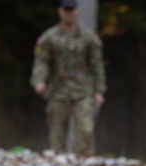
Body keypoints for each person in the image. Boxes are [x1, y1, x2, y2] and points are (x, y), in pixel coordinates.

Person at [30, 0, 106, 155]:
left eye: (71, 9)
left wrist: (99, 90)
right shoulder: (49, 37)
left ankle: (83, 165)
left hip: (83, 91)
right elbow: (41, 62)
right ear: (60, 11)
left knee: (85, 130)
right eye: (66, 10)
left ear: (76, 11)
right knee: (57, 134)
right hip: (58, 90)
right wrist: (39, 81)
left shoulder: (88, 38)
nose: (68, 13)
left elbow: (97, 65)